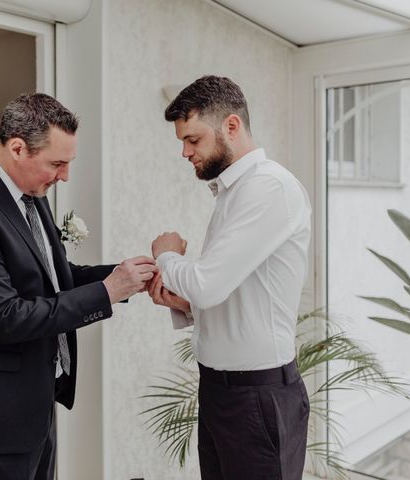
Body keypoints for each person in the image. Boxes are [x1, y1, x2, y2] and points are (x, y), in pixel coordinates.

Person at [0, 92, 157, 480]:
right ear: (17, 148)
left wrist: (127, 275)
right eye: (57, 163)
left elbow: (54, 276)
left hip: (35, 406)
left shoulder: (32, 196)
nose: (64, 176)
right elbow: (7, 316)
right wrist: (107, 292)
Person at [148, 76, 311, 480]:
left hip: (257, 398)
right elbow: (233, 293)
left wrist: (165, 253)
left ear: (232, 127)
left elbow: (207, 283)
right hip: (222, 393)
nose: (185, 152)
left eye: (193, 139)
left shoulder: (269, 188)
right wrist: (185, 306)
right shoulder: (232, 193)